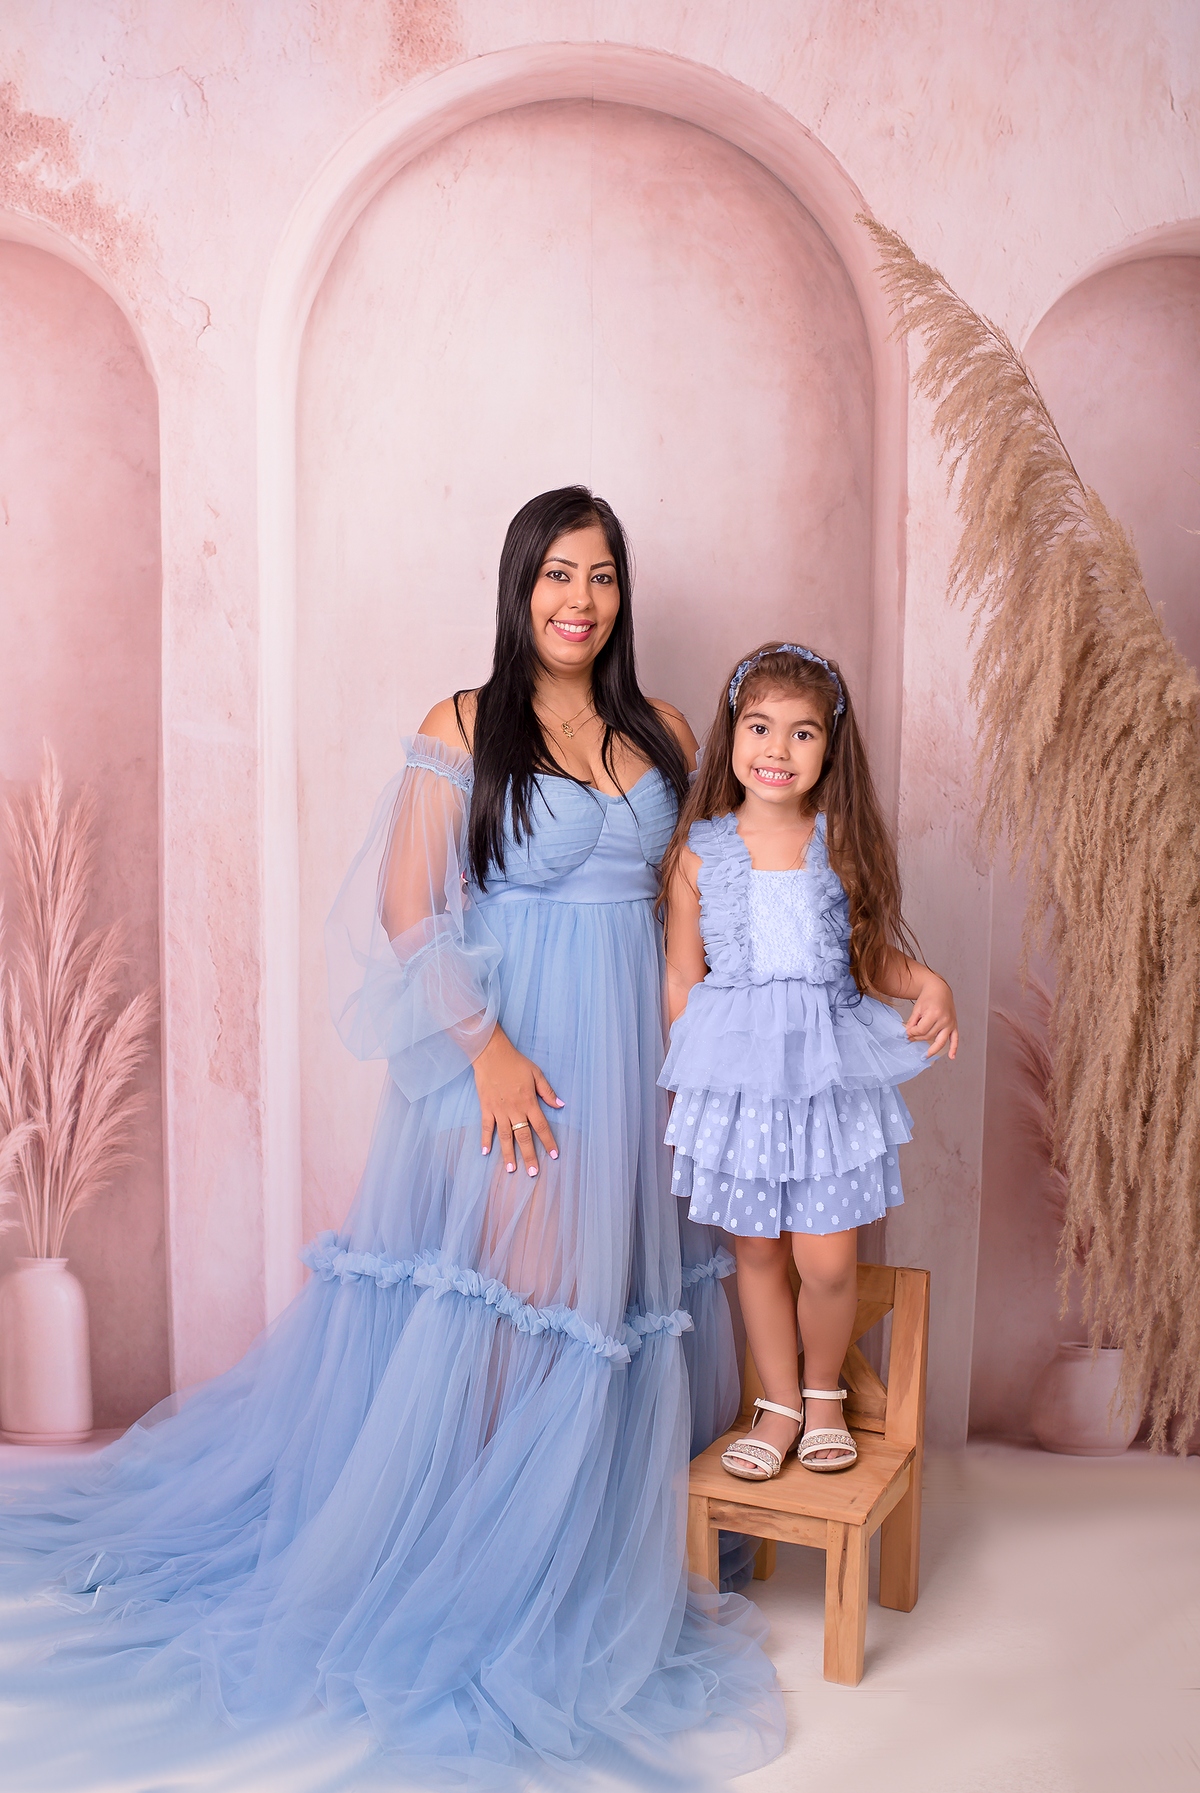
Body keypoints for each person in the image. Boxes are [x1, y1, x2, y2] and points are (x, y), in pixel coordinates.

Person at [0, 490, 784, 1792]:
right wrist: (485, 1049)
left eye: (600, 576)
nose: (579, 599)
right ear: (519, 587)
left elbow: (699, 901)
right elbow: (407, 903)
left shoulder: (666, 730)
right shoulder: (465, 724)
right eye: (557, 574)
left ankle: (601, 1535)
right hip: (521, 1057)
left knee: (618, 1296)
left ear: (622, 594)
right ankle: (493, 1550)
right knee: (528, 1301)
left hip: (637, 1057)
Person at [660, 642, 958, 1478]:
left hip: (826, 1077)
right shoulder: (700, 852)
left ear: (830, 746)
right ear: (732, 731)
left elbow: (867, 958)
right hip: (740, 1081)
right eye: (760, 727)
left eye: (802, 733)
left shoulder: (840, 845)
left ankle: (825, 1394)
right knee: (756, 1251)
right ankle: (780, 1404)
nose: (777, 750)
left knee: (825, 1259)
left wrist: (928, 982)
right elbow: (683, 975)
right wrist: (691, 1079)